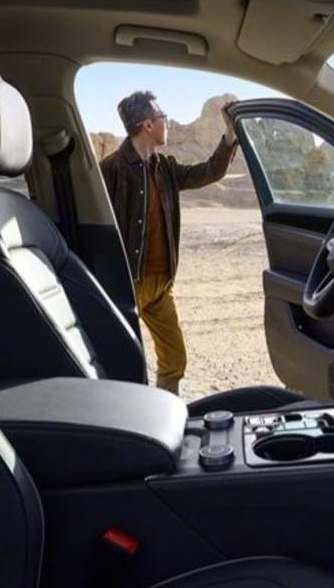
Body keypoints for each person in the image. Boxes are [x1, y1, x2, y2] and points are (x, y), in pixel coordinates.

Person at [100, 91, 239, 394]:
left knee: (174, 361)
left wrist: (230, 135)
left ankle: (167, 411)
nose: (168, 122)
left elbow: (208, 172)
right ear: (148, 125)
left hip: (162, 285)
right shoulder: (111, 170)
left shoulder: (164, 167)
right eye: (163, 117)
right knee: (123, 362)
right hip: (130, 285)